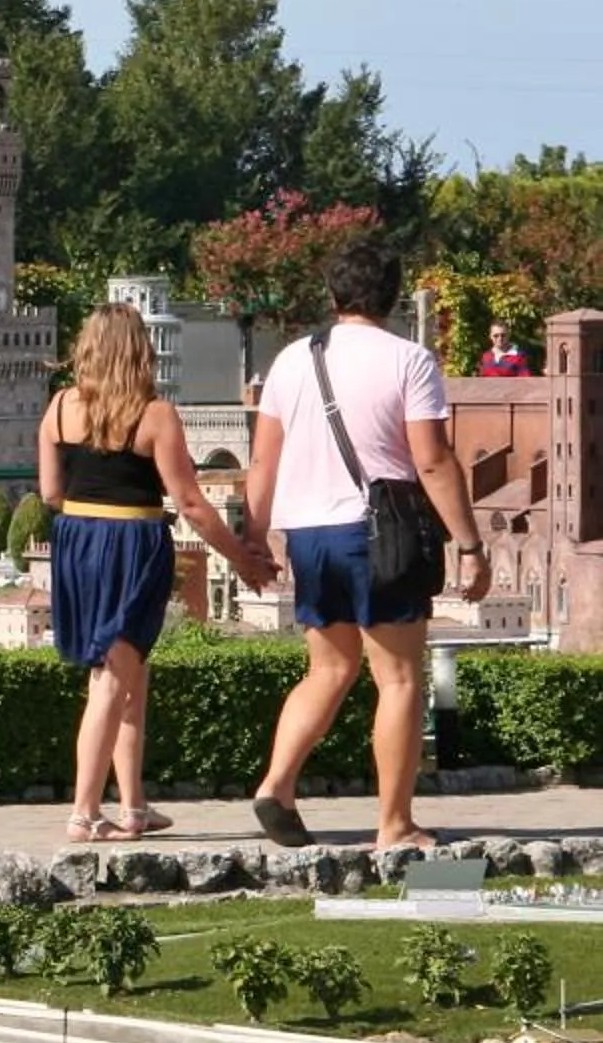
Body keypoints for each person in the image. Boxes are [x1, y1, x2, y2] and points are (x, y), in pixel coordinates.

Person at [246, 238, 490, 851]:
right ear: (392, 298)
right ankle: (395, 823)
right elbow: (431, 462)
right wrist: (469, 543)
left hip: (309, 533)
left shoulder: (292, 360)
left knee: (328, 668)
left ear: (333, 295)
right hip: (381, 530)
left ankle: (277, 783)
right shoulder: (410, 360)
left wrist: (253, 536)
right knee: (401, 678)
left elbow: (263, 462)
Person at [39, 304, 275, 842]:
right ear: (139, 351)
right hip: (130, 542)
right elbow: (190, 501)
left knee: (130, 674)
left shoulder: (57, 409)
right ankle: (83, 812)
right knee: (113, 677)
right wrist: (240, 557)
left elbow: (51, 492)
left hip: (76, 542)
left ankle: (134, 805)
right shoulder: (155, 414)